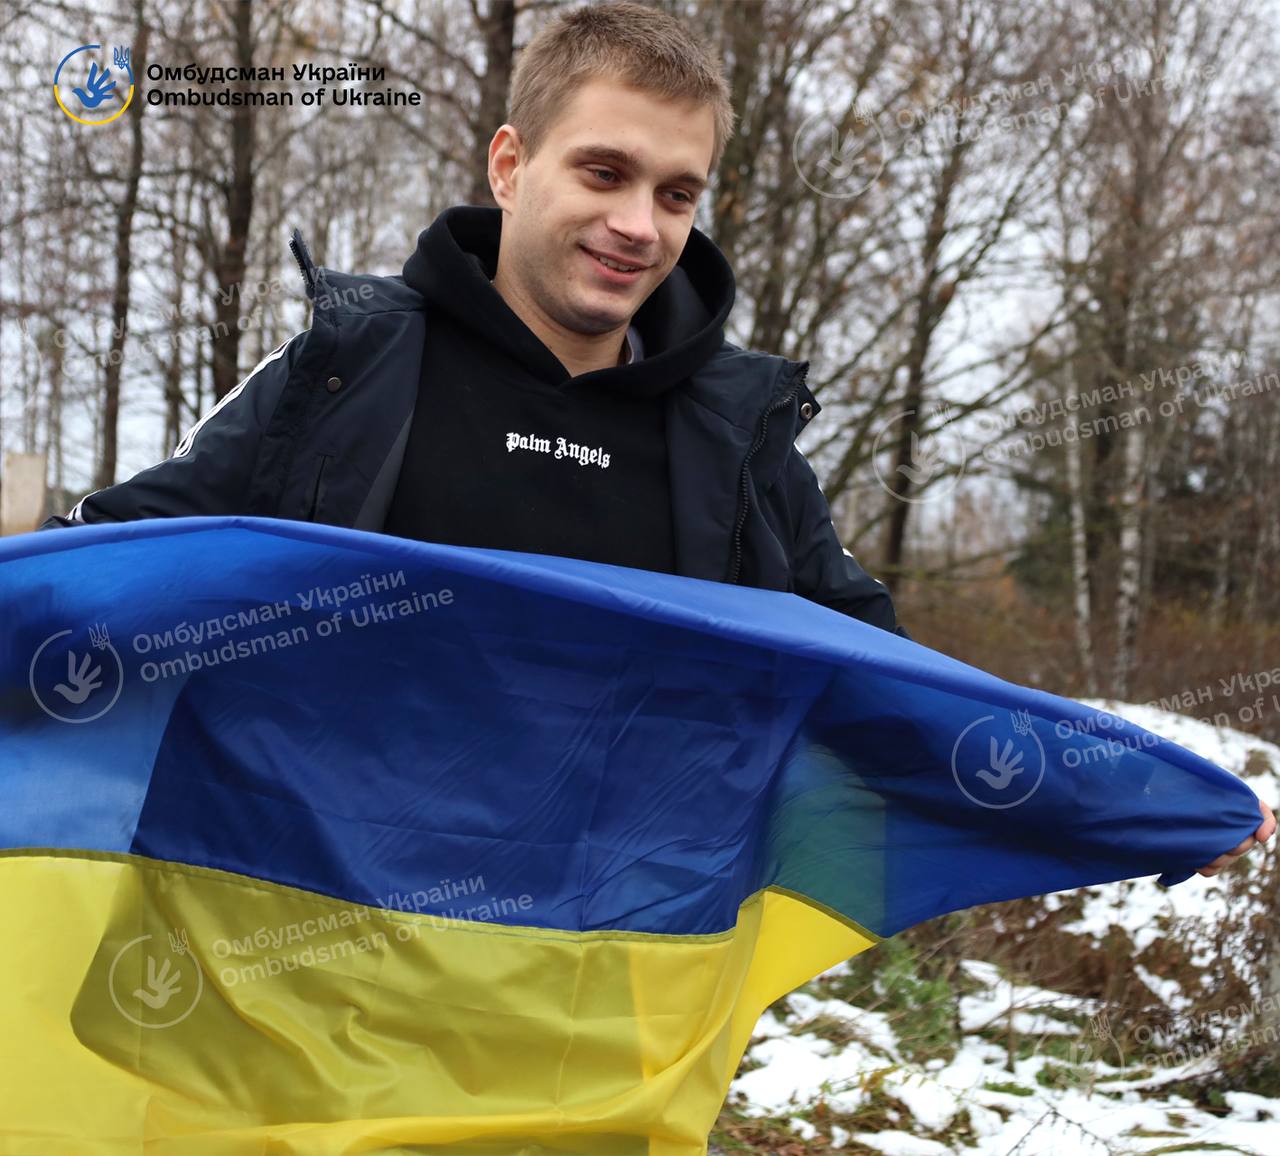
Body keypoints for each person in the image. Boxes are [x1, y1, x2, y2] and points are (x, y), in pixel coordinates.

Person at [39, 2, 1272, 871]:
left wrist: (1134, 798)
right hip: (280, 992)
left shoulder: (736, 441)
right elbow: (110, 573)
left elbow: (889, 691)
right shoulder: (345, 369)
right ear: (510, 164)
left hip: (585, 1022)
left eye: (676, 192)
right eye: (604, 172)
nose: (640, 224)